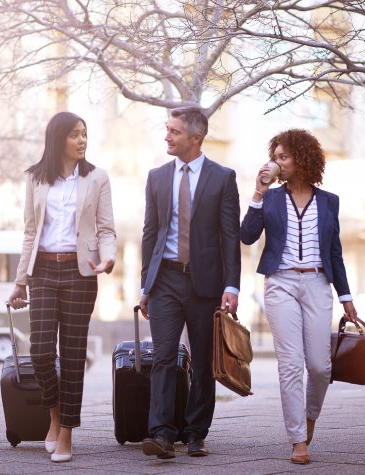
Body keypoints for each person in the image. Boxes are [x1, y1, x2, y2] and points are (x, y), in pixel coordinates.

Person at [239, 129, 357, 465]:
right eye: (275, 157)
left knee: (320, 367)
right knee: (291, 365)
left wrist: (346, 296)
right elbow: (247, 237)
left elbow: (335, 252)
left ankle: (308, 419)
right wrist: (258, 193)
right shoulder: (272, 198)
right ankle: (297, 440)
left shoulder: (329, 201)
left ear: (302, 159)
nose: (276, 163)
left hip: (319, 284)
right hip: (281, 284)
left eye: (283, 157)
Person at [7, 111, 116, 463]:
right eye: (74, 134)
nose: (82, 140)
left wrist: (108, 257)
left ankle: (66, 432)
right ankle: (53, 415)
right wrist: (20, 281)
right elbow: (29, 232)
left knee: (71, 357)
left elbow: (106, 228)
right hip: (43, 272)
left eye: (84, 133)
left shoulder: (97, 177)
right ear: (58, 140)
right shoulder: (35, 178)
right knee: (39, 352)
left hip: (80, 273)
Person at [139, 106, 241, 459]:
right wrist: (145, 287)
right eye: (167, 130)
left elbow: (230, 236)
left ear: (195, 138)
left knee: (202, 362)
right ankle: (162, 434)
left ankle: (196, 432)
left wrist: (232, 286)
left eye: (174, 131)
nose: (167, 136)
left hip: (206, 284)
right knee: (164, 356)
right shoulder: (156, 177)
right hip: (165, 280)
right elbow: (150, 233)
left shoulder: (223, 178)